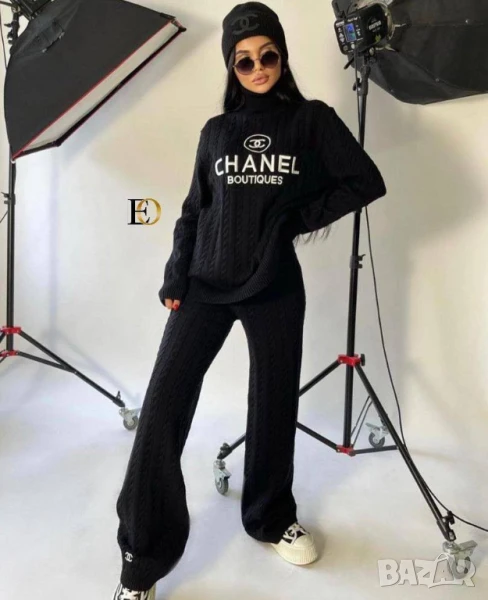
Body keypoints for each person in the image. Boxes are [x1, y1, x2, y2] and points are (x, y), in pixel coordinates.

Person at [112, 2, 387, 598]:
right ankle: (141, 557)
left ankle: (269, 517)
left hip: (274, 285)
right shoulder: (215, 132)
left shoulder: (311, 120)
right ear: (231, 68)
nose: (258, 67)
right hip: (205, 285)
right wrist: (175, 277)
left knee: (272, 403)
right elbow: (193, 211)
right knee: (161, 409)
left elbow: (365, 180)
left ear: (282, 57)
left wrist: (292, 218)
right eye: (244, 61)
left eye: (268, 55)